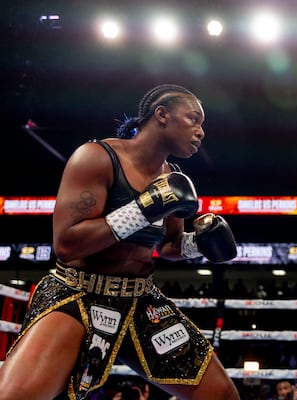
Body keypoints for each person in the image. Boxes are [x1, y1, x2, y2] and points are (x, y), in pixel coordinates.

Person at [0, 84, 240, 400]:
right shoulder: (97, 157)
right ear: (162, 115)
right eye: (194, 119)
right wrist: (144, 208)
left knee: (221, 395)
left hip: (140, 301)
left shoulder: (172, 178)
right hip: (78, 293)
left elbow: (169, 245)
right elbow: (67, 244)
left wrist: (201, 244)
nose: (201, 132)